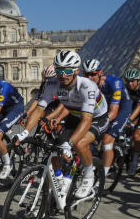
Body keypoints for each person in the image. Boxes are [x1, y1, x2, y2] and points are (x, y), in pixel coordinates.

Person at [15, 51, 108, 200]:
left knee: (79, 144)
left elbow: (86, 120)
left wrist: (70, 144)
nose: (63, 75)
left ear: (77, 71)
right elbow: (39, 109)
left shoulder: (87, 86)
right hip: (75, 115)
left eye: (68, 71)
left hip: (96, 118)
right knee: (56, 149)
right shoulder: (52, 83)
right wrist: (24, 133)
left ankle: (89, 175)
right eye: (59, 70)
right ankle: (63, 179)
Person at [83, 59, 132, 183]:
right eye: (87, 74)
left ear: (100, 73)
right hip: (105, 108)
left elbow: (114, 111)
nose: (90, 77)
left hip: (121, 108)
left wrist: (99, 124)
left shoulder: (114, 82)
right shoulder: (88, 86)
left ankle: (102, 177)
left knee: (107, 139)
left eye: (93, 74)